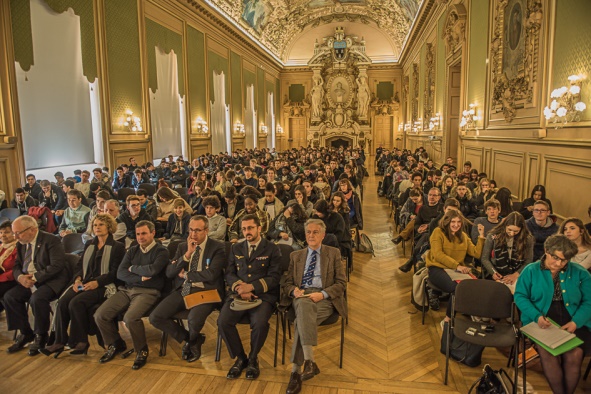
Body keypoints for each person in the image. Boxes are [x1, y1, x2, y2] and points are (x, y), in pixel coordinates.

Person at [514, 235, 591, 394]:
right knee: (548, 353)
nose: (559, 264)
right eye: (556, 258)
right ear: (546, 251)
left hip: (574, 319)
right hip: (541, 319)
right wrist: (537, 317)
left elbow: (589, 302)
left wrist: (576, 322)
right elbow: (520, 296)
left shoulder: (581, 273)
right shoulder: (531, 270)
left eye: (565, 260)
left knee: (575, 354)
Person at [40, 214, 125, 357]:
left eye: (101, 225)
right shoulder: (89, 244)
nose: (97, 227)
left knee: (76, 302)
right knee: (62, 302)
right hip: (85, 282)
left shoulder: (117, 247)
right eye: (95, 225)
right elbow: (79, 266)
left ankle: (80, 342)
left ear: (109, 227)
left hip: (105, 286)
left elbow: (115, 272)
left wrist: (96, 282)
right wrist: (78, 279)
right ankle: (59, 341)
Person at [149, 215, 226, 362]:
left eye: (197, 230)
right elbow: (170, 273)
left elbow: (211, 274)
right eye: (191, 230)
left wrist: (187, 275)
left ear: (206, 230)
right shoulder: (183, 246)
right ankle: (192, 340)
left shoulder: (217, 247)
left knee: (193, 320)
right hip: (184, 290)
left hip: (206, 291)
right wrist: (187, 255)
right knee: (155, 317)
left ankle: (192, 339)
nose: (193, 234)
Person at [94, 220, 168, 370]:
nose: (140, 237)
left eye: (144, 233)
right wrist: (139, 276)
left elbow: (152, 271)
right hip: (127, 290)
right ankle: (116, 344)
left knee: (130, 318)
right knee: (100, 315)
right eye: (138, 234)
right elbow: (121, 273)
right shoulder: (133, 250)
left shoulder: (161, 251)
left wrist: (132, 268)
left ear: (153, 233)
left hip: (148, 292)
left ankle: (141, 350)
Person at [284, 219, 347, 393]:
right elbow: (287, 282)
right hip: (301, 296)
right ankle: (308, 363)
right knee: (303, 305)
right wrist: (293, 291)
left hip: (324, 299)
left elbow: (342, 283)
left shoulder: (333, 253)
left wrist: (323, 294)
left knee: (299, 323)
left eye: (315, 232)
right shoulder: (295, 256)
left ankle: (295, 373)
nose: (311, 235)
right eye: (308, 232)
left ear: (323, 235)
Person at [218, 214, 282, 380]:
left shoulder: (272, 248)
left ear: (259, 228)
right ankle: (241, 358)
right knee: (223, 322)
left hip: (263, 295)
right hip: (238, 294)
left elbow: (275, 277)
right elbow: (229, 273)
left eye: (250, 228)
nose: (247, 231)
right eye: (244, 228)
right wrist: (240, 288)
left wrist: (252, 286)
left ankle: (253, 358)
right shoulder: (236, 248)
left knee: (260, 323)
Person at [4, 216, 69, 355]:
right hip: (28, 279)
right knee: (10, 297)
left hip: (50, 279)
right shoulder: (21, 243)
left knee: (37, 299)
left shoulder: (51, 240)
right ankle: (25, 332)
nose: (15, 236)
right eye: (14, 233)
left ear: (32, 230)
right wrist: (20, 277)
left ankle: (41, 335)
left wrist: (34, 277)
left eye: (18, 232)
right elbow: (16, 266)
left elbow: (57, 265)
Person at [425, 210, 485, 322]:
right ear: (447, 221)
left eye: (459, 222)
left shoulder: (463, 236)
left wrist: (481, 236)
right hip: (437, 268)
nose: (456, 225)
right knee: (457, 289)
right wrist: (457, 266)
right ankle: (447, 319)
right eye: (453, 221)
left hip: (456, 269)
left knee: (475, 286)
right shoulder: (438, 232)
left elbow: (476, 253)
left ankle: (472, 311)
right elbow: (438, 255)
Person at [481, 212, 534, 283]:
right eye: (509, 230)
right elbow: (485, 258)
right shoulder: (493, 236)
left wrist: (516, 274)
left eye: (516, 231)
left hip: (518, 274)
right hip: (497, 272)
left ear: (521, 229)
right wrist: (493, 272)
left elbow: (528, 260)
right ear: (505, 225)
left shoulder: (527, 239)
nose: (512, 233)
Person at [0, 221, 18, 313]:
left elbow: (17, 269)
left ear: (14, 232)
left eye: (6, 232)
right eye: (1, 232)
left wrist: (1, 278)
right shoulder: (1, 247)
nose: (3, 235)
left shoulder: (18, 247)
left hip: (12, 279)